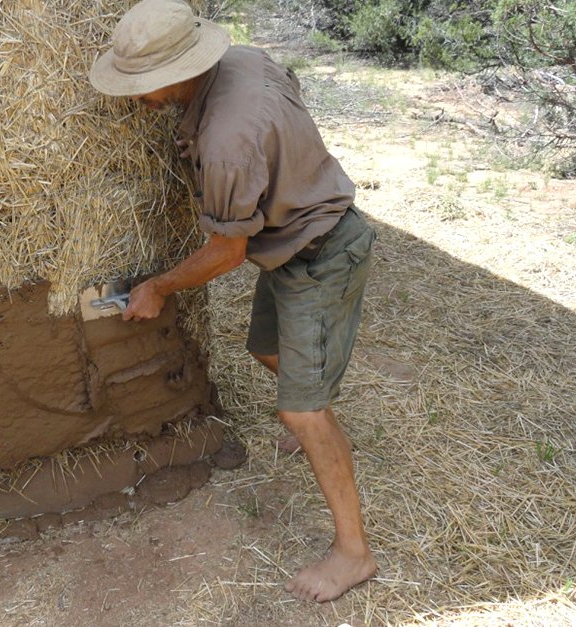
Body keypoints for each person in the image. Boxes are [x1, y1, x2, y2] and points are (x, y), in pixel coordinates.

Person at [89, 0, 378, 603]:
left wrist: (158, 287)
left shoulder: (225, 139)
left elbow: (226, 252)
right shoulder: (244, 60)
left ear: (177, 74)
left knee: (300, 409)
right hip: (293, 242)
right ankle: (311, 409)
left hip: (322, 252)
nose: (136, 100)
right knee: (263, 349)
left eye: (141, 89)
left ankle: (353, 552)